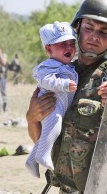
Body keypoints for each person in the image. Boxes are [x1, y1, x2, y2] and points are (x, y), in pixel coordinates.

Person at [26, 0, 107, 193]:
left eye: (104, 31)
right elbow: (42, 139)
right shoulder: (63, 73)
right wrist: (32, 119)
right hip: (65, 187)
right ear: (77, 29)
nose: (95, 36)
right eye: (89, 28)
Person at [26, 21, 78, 177]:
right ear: (48, 49)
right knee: (54, 127)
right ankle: (43, 156)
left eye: (71, 43)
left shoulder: (68, 65)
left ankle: (31, 160)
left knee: (47, 135)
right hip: (51, 105)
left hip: (59, 105)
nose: (68, 47)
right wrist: (63, 84)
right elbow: (45, 80)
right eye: (62, 44)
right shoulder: (48, 65)